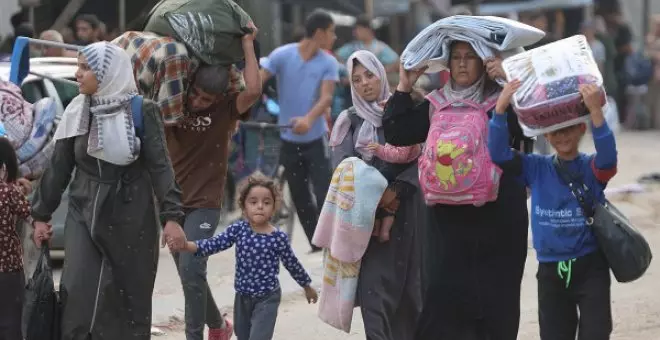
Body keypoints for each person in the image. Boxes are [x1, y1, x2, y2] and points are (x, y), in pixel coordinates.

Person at [30, 41, 187, 340]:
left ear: (108, 72)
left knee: (126, 299)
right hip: (84, 210)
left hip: (132, 215)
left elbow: (160, 166)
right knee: (77, 291)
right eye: (78, 67)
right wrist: (40, 214)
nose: (78, 74)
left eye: (86, 68)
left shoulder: (143, 111)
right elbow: (59, 168)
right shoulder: (78, 111)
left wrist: (172, 217)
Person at [383, 41, 532, 339]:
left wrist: (508, 79)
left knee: (497, 300)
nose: (462, 64)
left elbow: (531, 125)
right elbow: (396, 132)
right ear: (447, 64)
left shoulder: (503, 99)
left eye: (470, 58)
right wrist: (403, 86)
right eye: (456, 58)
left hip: (499, 219)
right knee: (443, 300)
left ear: (485, 63)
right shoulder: (437, 102)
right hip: (446, 221)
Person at [489, 81, 617, 340]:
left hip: (590, 267)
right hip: (549, 272)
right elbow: (498, 154)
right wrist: (500, 108)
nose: (562, 136)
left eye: (569, 129)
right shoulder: (535, 167)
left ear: (581, 128)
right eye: (555, 132)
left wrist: (595, 112)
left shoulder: (592, 169)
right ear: (546, 135)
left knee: (596, 333)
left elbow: (608, 159)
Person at [163, 22, 261, 340]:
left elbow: (254, 91)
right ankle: (219, 326)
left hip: (205, 201)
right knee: (188, 273)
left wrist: (247, 43)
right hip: (171, 200)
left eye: (208, 98)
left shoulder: (225, 109)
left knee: (192, 269)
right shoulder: (172, 103)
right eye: (198, 95)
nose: (201, 102)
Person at [329, 50, 430, 339]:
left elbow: (426, 157)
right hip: (367, 223)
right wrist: (373, 194)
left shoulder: (407, 110)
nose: (364, 83)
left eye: (370, 75)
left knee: (412, 294)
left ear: (382, 75)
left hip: (410, 215)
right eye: (356, 79)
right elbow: (341, 172)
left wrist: (397, 191)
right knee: (375, 295)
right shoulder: (349, 122)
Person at [173, 173, 318, 340]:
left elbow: (293, 264)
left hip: (267, 298)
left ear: (274, 207)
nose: (260, 206)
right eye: (253, 202)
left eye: (266, 202)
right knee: (243, 335)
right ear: (244, 206)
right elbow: (214, 244)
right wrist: (187, 245)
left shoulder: (278, 238)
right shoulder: (239, 230)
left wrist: (307, 286)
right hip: (242, 298)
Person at [260, 10, 338, 253]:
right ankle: (317, 243)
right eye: (332, 32)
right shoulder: (282, 55)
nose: (334, 37)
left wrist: (308, 118)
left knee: (325, 190)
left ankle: (334, 242)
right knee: (299, 195)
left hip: (316, 138)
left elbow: (326, 98)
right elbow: (257, 81)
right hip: (288, 139)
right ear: (319, 33)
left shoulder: (328, 62)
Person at [0, 137, 31, 340]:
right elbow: (33, 217)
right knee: (10, 324)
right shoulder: (10, 192)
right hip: (8, 272)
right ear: (4, 168)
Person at [335, 16, 399, 74]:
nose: (355, 33)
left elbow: (396, 62)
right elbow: (336, 55)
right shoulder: (353, 46)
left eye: (358, 29)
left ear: (368, 30)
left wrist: (379, 72)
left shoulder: (379, 47)